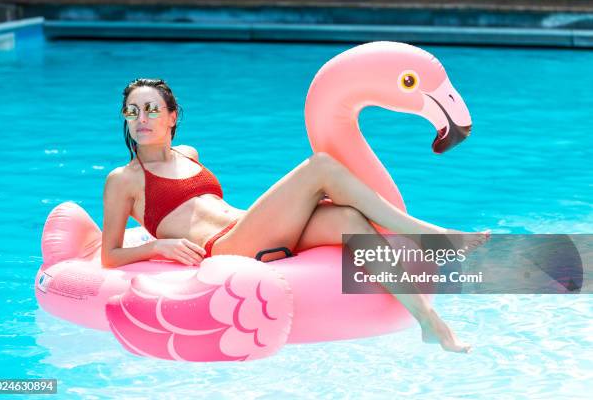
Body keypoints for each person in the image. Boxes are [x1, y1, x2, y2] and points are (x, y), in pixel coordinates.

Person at [102, 78, 490, 353]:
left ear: (172, 116)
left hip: (245, 227)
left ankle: (428, 322)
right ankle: (431, 233)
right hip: (223, 249)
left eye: (152, 109)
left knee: (347, 220)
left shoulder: (189, 154)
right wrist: (159, 245)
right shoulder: (124, 180)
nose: (141, 118)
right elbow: (110, 255)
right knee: (320, 166)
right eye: (132, 111)